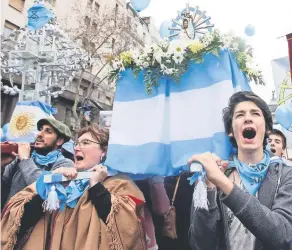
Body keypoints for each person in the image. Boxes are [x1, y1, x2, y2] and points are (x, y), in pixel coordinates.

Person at [1, 124, 147, 250]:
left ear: (104, 151)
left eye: (86, 142)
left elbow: (127, 228)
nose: (77, 147)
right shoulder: (63, 178)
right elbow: (18, 220)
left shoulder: (120, 184)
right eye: (77, 143)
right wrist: (50, 185)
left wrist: (96, 186)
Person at [188, 91, 292, 250]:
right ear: (231, 130)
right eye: (240, 115)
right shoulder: (215, 174)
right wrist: (210, 187)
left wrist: (224, 184)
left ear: (266, 128)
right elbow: (200, 244)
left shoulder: (285, 174)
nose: (248, 118)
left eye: (255, 113)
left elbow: (283, 237)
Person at [1, 118, 73, 208]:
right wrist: (2, 166)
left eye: (48, 131)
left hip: (34, 221)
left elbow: (43, 190)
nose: (39, 134)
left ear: (59, 141)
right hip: (7, 219)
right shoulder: (21, 157)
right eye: (40, 129)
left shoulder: (64, 164)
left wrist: (25, 160)